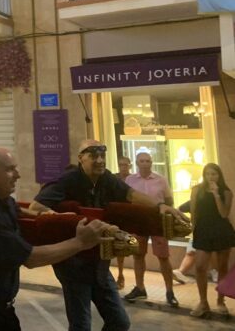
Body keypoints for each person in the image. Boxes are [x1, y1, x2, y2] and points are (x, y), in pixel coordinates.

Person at [29, 139, 188, 331]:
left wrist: (160, 206)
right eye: (93, 156)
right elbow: (35, 207)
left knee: (120, 323)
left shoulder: (107, 179)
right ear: (81, 158)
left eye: (102, 156)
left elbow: (131, 195)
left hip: (99, 262)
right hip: (73, 263)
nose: (99, 160)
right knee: (81, 325)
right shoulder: (67, 180)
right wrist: (63, 218)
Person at [0, 146, 106, 330]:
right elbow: (31, 258)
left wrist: (51, 216)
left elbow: (17, 210)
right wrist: (80, 242)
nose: (18, 175)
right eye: (10, 169)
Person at [122, 151, 178, 306]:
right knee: (138, 255)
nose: (145, 164)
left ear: (151, 163)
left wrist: (168, 217)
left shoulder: (161, 180)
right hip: (138, 221)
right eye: (142, 161)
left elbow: (169, 200)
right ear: (137, 163)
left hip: (156, 221)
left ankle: (170, 291)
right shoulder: (130, 180)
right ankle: (140, 288)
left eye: (148, 161)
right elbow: (127, 199)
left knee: (163, 257)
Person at [189, 162, 235, 318]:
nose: (211, 177)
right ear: (204, 175)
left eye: (214, 174)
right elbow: (193, 212)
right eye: (208, 174)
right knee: (200, 266)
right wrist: (193, 230)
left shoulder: (226, 192)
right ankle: (203, 302)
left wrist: (216, 194)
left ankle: (220, 301)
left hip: (221, 231)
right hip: (203, 230)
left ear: (219, 176)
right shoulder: (197, 190)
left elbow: (223, 214)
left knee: (222, 267)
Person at [115, 156, 131, 289]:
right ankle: (120, 275)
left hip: (129, 215)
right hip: (117, 215)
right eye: (121, 165)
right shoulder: (114, 179)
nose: (123, 167)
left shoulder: (133, 180)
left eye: (126, 165)